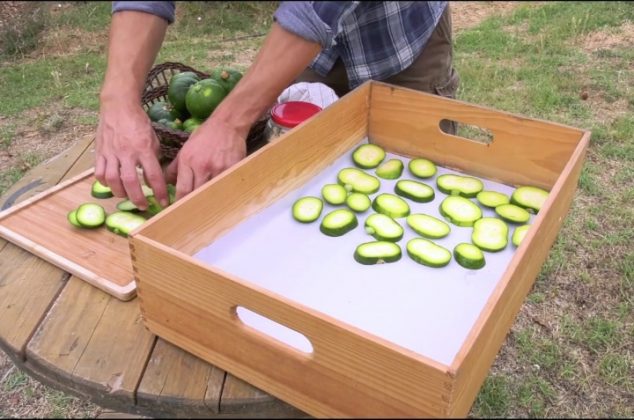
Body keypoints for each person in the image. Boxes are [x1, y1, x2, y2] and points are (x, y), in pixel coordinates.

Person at [96, 1, 459, 211]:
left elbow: (317, 8)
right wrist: (117, 102)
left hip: (394, 35)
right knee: (301, 187)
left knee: (414, 192)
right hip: (306, 44)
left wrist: (228, 123)